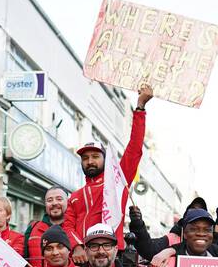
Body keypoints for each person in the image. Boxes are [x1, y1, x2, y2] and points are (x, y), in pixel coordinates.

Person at [63, 84, 152, 256]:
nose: (90, 161)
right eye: (85, 158)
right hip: (82, 259)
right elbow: (68, 226)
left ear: (105, 159)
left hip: (112, 257)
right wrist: (78, 246)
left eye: (95, 157)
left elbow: (134, 149)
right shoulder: (74, 197)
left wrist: (140, 108)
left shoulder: (117, 182)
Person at [22, 187, 69, 267]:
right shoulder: (32, 228)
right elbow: (22, 261)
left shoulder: (77, 229)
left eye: (59, 199)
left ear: (68, 202)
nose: (54, 203)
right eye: (50, 200)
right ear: (45, 204)